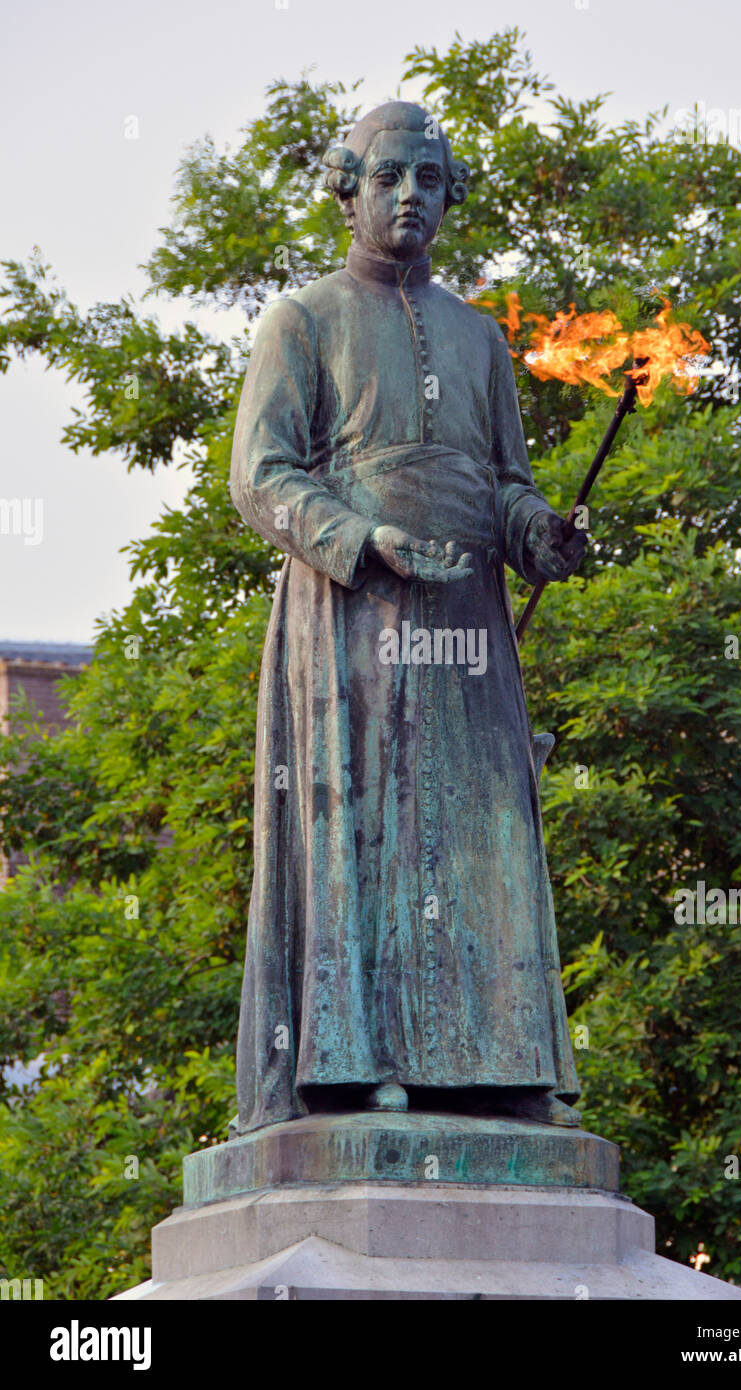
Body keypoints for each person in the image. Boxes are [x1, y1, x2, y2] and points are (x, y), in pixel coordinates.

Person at [229, 101, 585, 1133]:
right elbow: (260, 476)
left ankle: (502, 1061)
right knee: (367, 825)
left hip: (468, 618)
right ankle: (357, 1063)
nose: (408, 198)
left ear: (448, 194)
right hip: (352, 614)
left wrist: (539, 536)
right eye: (388, 178)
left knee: (485, 831)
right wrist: (359, 539)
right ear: (348, 188)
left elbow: (504, 485)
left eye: (427, 180)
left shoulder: (478, 338)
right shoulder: (301, 320)